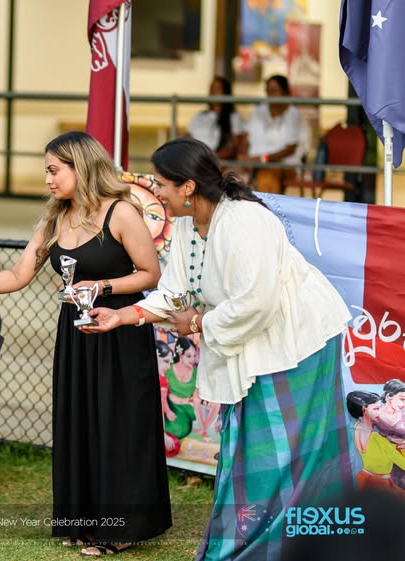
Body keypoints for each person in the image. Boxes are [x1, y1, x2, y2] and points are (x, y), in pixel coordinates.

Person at [82, 137, 353, 561]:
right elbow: (172, 292)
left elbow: (255, 302)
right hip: (255, 342)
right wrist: (124, 316)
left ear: (187, 187)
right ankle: (250, 542)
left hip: (297, 342)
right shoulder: (190, 227)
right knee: (251, 448)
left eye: (162, 185)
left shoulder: (244, 220)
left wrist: (201, 322)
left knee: (290, 454)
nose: (158, 193)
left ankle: (297, 546)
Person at [0, 131, 171, 556]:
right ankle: (83, 522)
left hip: (119, 330)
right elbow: (18, 274)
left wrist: (98, 288)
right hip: (76, 332)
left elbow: (150, 274)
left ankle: (122, 527)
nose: (48, 179)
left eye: (54, 170)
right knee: (79, 419)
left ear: (80, 166)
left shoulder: (121, 213)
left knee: (118, 423)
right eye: (46, 171)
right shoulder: (53, 217)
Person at [237, 74, 309, 194]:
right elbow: (245, 137)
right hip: (252, 163)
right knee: (228, 176)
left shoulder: (293, 115)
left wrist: (261, 160)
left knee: (267, 178)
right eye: (268, 90)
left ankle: (268, 211)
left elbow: (289, 149)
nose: (271, 94)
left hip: (283, 165)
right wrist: (243, 157)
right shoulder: (258, 111)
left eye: (275, 90)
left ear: (285, 93)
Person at [346, 390, 405, 494]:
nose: (380, 412)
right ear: (364, 410)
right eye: (376, 409)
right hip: (381, 485)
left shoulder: (355, 428)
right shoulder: (377, 438)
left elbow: (377, 451)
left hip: (364, 478)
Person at [186, 77, 244, 160]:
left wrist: (212, 158)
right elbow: (187, 139)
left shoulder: (234, 117)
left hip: (217, 163)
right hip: (195, 160)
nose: (213, 92)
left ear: (225, 92)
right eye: (211, 89)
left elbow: (234, 147)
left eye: (217, 89)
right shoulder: (199, 116)